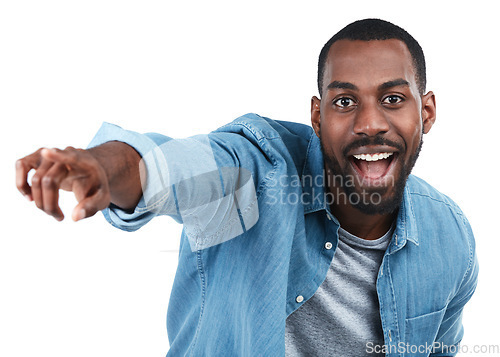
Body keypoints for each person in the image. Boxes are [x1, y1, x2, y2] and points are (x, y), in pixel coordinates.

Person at [15, 19, 478, 356]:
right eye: (345, 101)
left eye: (393, 99)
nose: (370, 123)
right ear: (318, 117)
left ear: (427, 113)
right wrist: (103, 165)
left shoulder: (449, 237)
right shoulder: (258, 176)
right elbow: (179, 167)